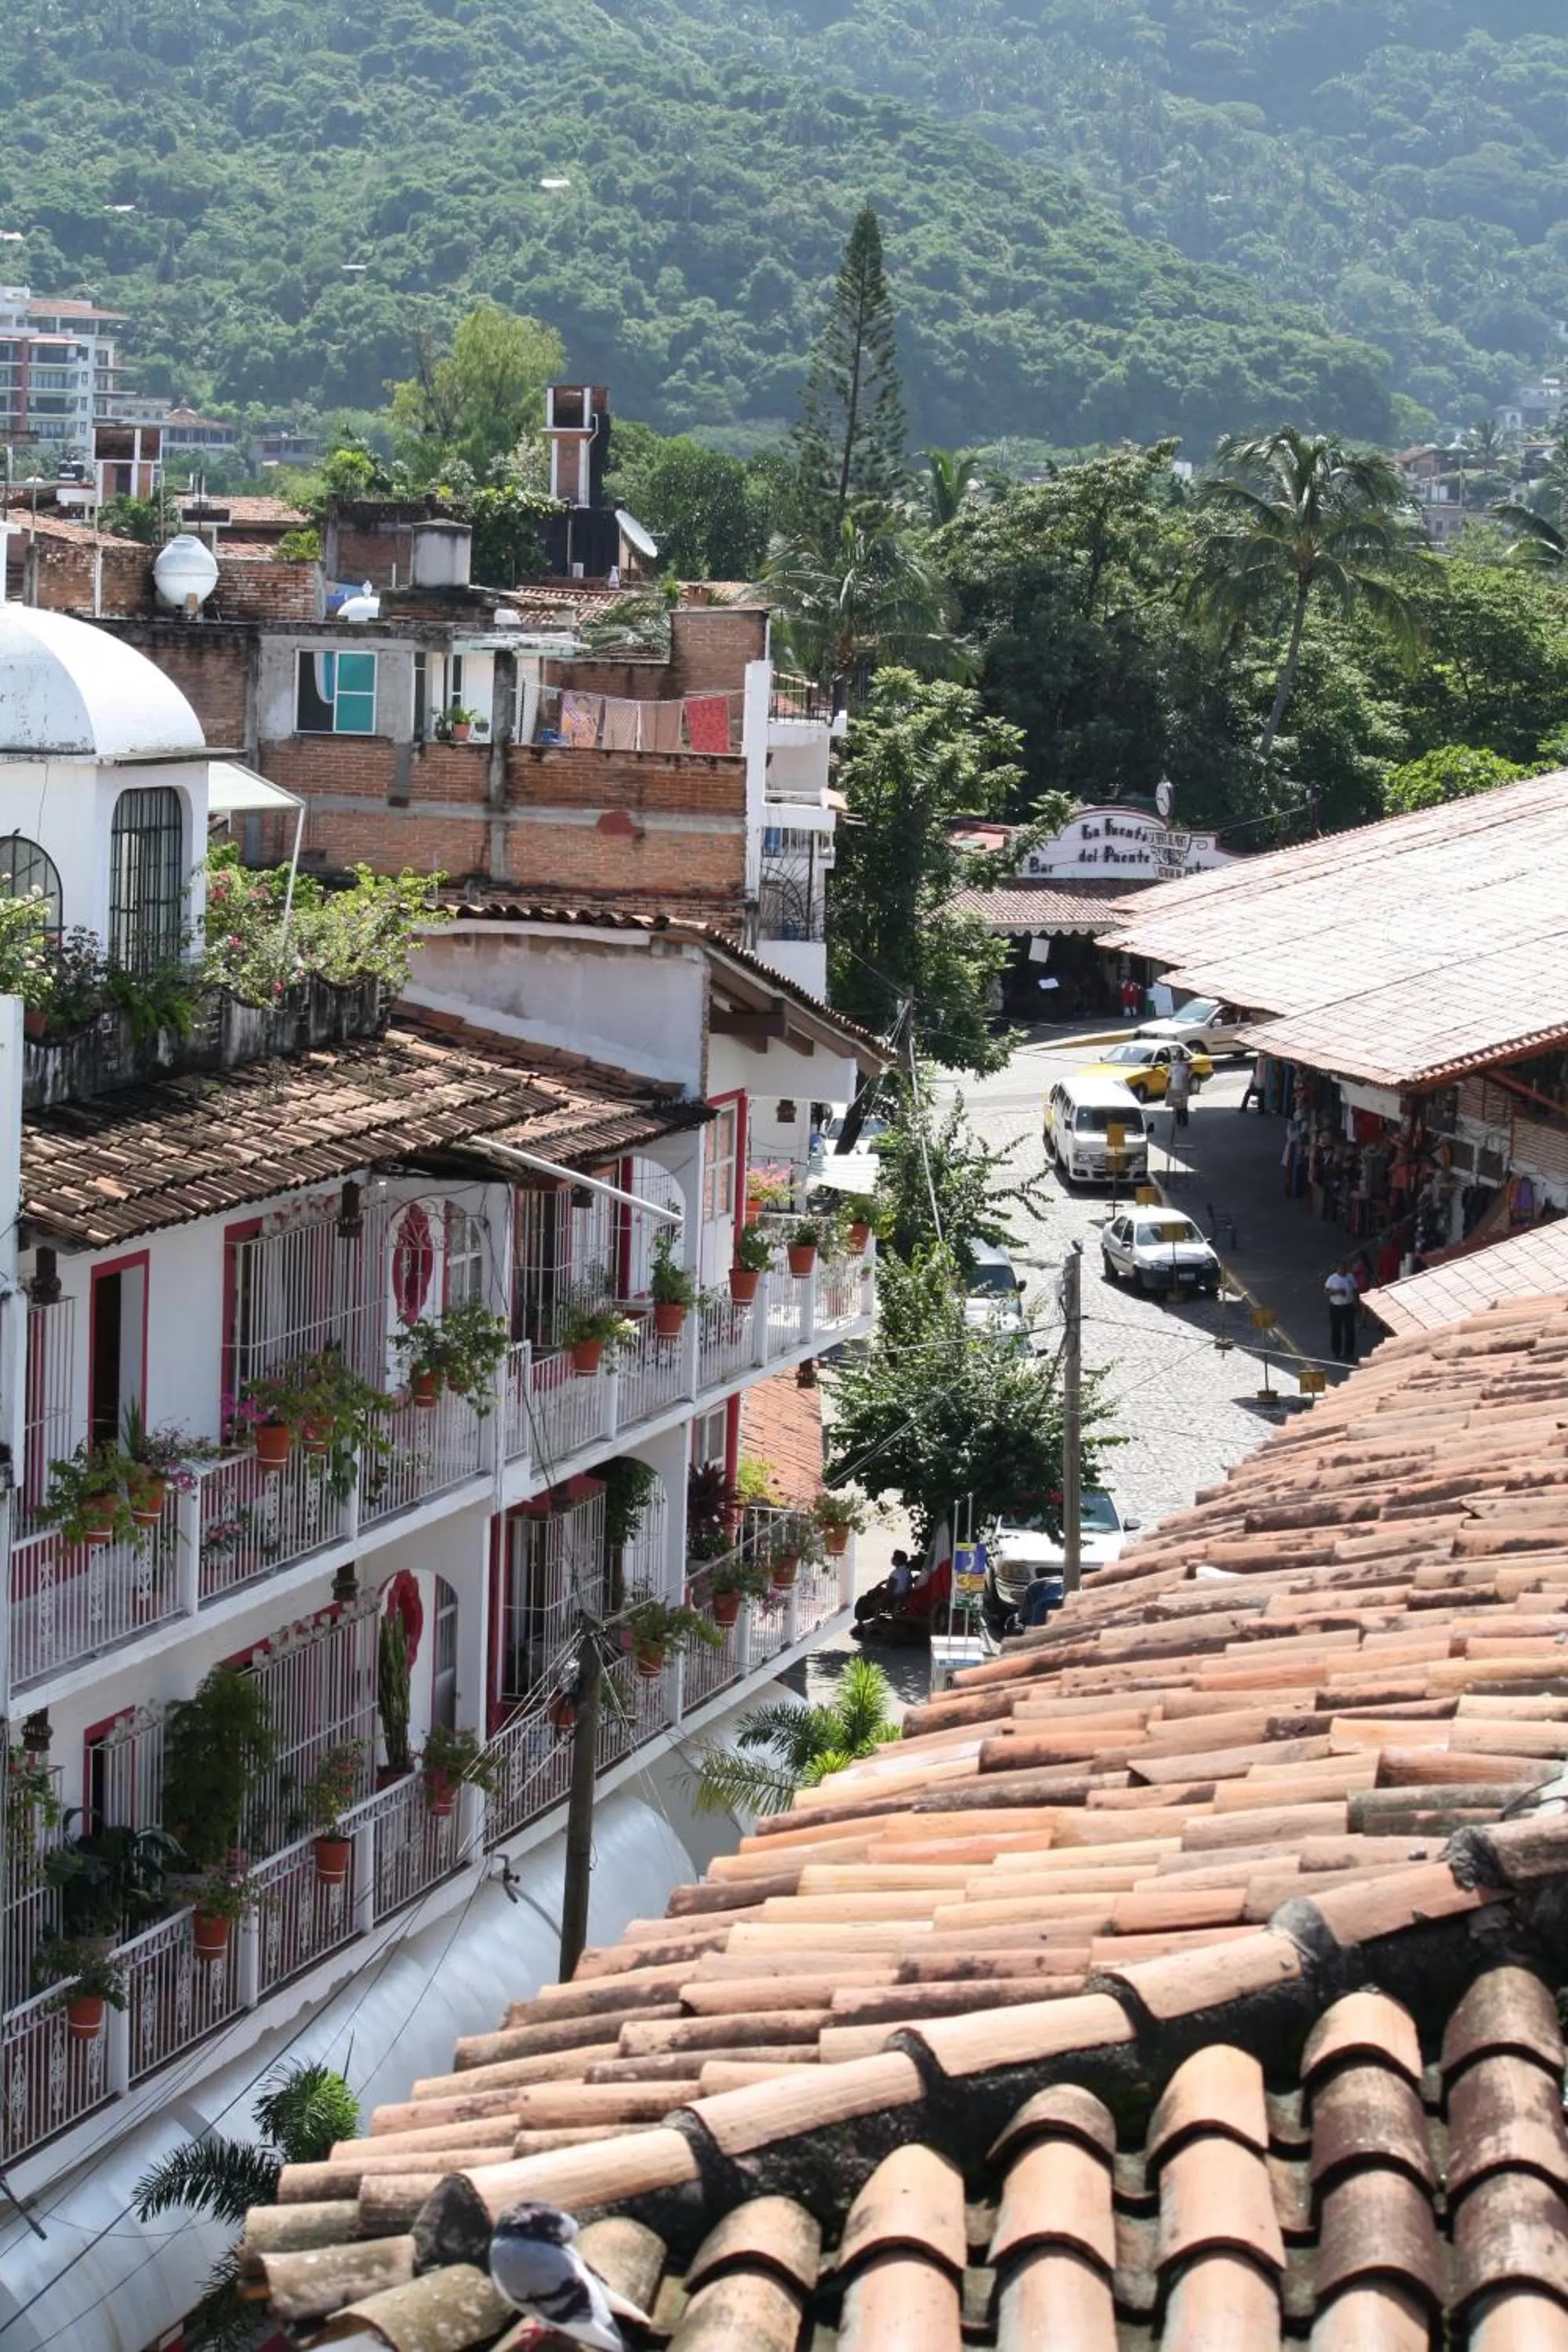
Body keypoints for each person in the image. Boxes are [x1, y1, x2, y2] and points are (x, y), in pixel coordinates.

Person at [1326, 1260, 1359, 1363]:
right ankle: (1336, 1351)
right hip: (1336, 1307)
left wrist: (1357, 1302)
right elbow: (1326, 1293)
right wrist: (1337, 1291)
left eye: (1345, 1268)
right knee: (1336, 1330)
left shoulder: (1350, 1277)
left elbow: (1355, 1290)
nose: (1343, 1270)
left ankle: (1349, 1353)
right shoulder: (1332, 1279)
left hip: (1348, 1307)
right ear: (1337, 1269)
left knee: (1350, 1331)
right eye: (1341, 1268)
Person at [1166, 1051, 1192, 1130]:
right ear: (1176, 1056)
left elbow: (1191, 1070)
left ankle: (1184, 1122)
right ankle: (1178, 1122)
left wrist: (1187, 1063)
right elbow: (1169, 1077)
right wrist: (1167, 1087)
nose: (1179, 1057)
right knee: (1176, 1106)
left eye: (1181, 1055)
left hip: (1184, 1088)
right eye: (1178, 1055)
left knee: (1183, 1106)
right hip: (1174, 1087)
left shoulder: (1185, 1065)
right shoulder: (1172, 1064)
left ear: (1183, 1056)